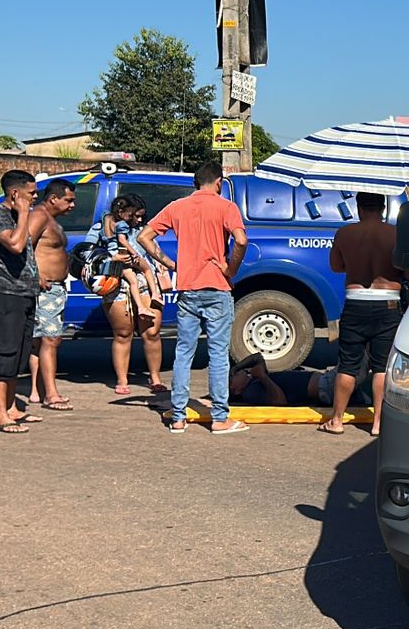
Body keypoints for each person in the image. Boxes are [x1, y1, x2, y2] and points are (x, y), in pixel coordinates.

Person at [138, 162, 249, 435]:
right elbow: (241, 241)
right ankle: (220, 418)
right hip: (217, 288)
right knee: (218, 354)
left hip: (188, 288)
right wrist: (230, 268)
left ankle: (178, 417)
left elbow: (144, 237)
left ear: (195, 183)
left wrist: (170, 263)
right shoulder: (225, 207)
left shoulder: (177, 207)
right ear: (219, 182)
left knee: (184, 353)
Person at [319, 191, 401, 436]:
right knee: (382, 366)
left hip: (356, 302)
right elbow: (407, 270)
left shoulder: (345, 233)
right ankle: (379, 422)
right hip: (388, 303)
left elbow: (335, 266)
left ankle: (337, 420)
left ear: (359, 207)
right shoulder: (395, 234)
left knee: (348, 365)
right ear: (383, 208)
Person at [0, 170, 41, 433]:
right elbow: (14, 245)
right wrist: (25, 213)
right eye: (31, 193)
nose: (36, 197)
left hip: (25, 294)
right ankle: (0, 414)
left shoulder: (16, 216)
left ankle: (13, 407)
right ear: (15, 193)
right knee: (4, 353)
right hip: (4, 296)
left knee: (19, 355)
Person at [92, 195, 165, 395]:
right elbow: (86, 253)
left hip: (146, 285)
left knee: (152, 333)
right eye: (136, 215)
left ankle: (155, 377)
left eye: (142, 216)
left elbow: (155, 253)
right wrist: (110, 258)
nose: (139, 219)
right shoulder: (101, 229)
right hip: (116, 285)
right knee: (123, 334)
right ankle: (122, 379)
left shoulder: (143, 231)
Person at [25, 179, 78, 411]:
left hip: (54, 289)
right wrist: (35, 276)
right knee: (50, 340)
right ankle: (51, 395)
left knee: (40, 341)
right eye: (69, 200)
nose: (72, 205)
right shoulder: (39, 216)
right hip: (44, 289)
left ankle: (37, 391)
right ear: (54, 198)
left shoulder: (51, 220)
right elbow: (23, 245)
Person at [228, 353, 372, 409]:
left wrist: (236, 368)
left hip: (326, 380)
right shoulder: (251, 392)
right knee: (361, 352)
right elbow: (280, 401)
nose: (236, 373)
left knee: (365, 353)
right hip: (326, 387)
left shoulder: (254, 380)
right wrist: (263, 378)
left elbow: (258, 358)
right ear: (237, 390)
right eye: (232, 377)